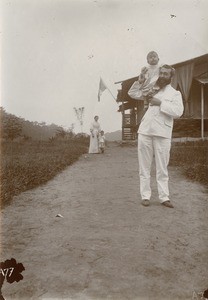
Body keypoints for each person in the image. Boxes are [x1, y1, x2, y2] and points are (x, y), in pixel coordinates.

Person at [129, 64, 184, 208]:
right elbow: (133, 93)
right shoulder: (151, 88)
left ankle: (164, 197)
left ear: (171, 77)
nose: (162, 76)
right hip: (145, 131)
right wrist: (140, 81)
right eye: (161, 73)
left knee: (162, 167)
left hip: (162, 133)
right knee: (144, 167)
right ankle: (145, 196)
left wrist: (161, 103)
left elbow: (178, 112)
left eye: (166, 74)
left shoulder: (175, 93)